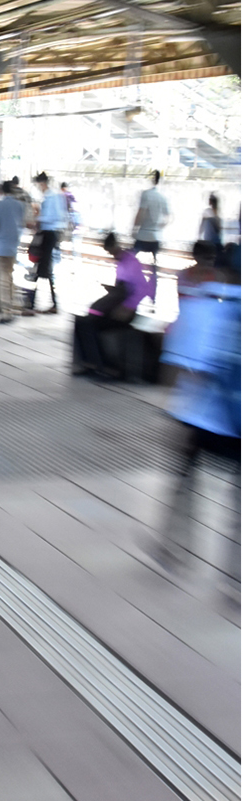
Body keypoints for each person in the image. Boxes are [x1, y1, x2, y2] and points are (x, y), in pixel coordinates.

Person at [153, 245, 240, 588]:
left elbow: (180, 366)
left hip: (204, 418)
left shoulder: (201, 306)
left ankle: (174, 548)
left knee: (185, 483)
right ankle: (235, 577)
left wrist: (170, 411)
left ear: (219, 271)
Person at [72, 233, 154, 378]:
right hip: (115, 307)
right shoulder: (121, 262)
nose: (111, 254)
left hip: (125, 312)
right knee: (81, 322)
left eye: (111, 251)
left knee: (89, 324)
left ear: (116, 246)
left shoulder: (131, 262)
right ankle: (89, 363)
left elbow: (144, 288)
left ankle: (104, 365)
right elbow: (122, 288)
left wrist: (128, 307)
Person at [0, 181, 26, 322]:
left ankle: (5, 311)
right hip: (13, 246)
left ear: (2, 191)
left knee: (1, 280)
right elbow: (22, 223)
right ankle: (14, 307)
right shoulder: (20, 205)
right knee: (9, 278)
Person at [31, 172, 68, 313]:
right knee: (45, 268)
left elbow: (51, 216)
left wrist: (37, 218)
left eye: (38, 185)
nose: (38, 188)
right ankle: (49, 303)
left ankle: (33, 303)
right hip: (53, 233)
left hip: (48, 233)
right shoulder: (57, 195)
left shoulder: (50, 197)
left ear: (42, 184)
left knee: (42, 267)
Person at [132, 169, 170, 275]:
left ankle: (132, 277)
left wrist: (134, 229)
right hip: (156, 236)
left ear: (152, 179)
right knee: (154, 264)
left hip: (143, 234)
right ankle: (154, 282)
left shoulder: (146, 194)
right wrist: (159, 227)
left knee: (131, 257)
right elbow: (168, 217)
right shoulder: (162, 197)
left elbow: (141, 212)